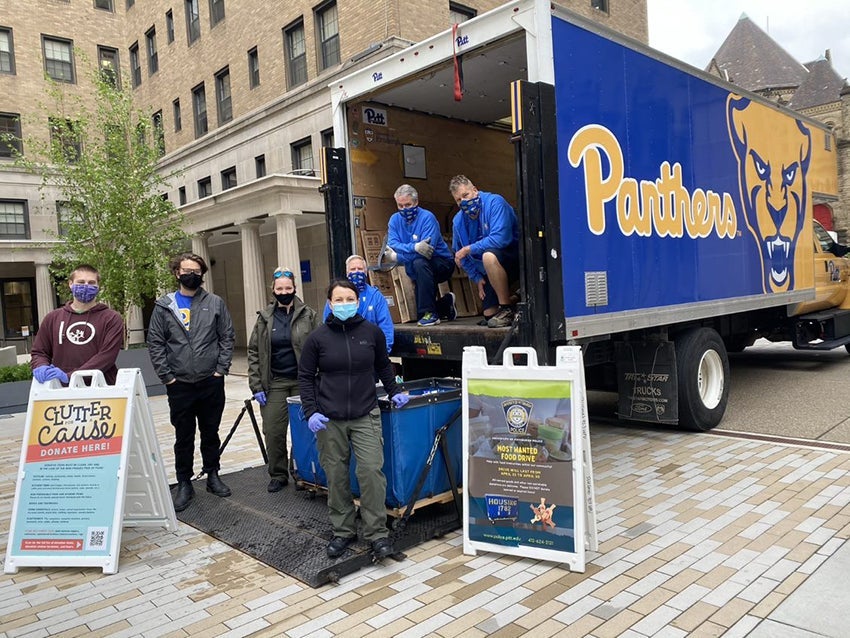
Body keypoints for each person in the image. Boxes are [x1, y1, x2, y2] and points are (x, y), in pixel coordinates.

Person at [298, 278, 410, 560]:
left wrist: (395, 390)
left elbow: (383, 365)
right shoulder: (317, 338)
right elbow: (306, 377)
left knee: (372, 472)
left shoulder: (371, 333)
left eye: (350, 299)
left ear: (358, 302)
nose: (345, 304)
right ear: (329, 303)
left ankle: (377, 534)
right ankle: (343, 531)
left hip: (365, 414)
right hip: (329, 419)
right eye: (339, 300)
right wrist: (311, 411)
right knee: (336, 475)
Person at [147, 252, 235, 512]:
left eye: (196, 272)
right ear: (176, 273)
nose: (191, 275)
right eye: (186, 270)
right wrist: (168, 377)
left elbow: (227, 336)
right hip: (180, 384)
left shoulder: (215, 303)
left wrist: (221, 369)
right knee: (183, 436)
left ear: (202, 274)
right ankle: (184, 482)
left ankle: (212, 475)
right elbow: (156, 343)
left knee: (211, 431)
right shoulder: (165, 306)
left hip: (211, 381)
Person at [248, 266, 320, 493]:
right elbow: (253, 351)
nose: (284, 291)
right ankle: (278, 474)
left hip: (303, 381)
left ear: (295, 288)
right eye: (279, 288)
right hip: (275, 383)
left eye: (288, 287)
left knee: (304, 430)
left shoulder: (309, 315)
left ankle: (300, 471)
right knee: (273, 430)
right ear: (273, 289)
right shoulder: (264, 318)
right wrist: (256, 384)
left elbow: (321, 346)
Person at [31, 264, 124, 385]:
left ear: (98, 286)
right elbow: (39, 351)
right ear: (70, 284)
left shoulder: (111, 318)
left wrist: (71, 376)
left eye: (91, 282)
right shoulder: (53, 318)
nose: (86, 286)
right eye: (81, 282)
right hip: (61, 389)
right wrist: (41, 366)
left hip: (102, 388)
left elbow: (107, 357)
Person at [449, 175, 520, 328]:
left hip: (515, 258)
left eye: (466, 195)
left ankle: (507, 309)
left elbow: (500, 238)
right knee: (489, 314)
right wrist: (477, 277)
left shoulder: (495, 202)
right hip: (491, 269)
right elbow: (459, 254)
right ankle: (515, 298)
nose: (464, 202)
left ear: (475, 190)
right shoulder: (458, 221)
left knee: (488, 255)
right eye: (459, 200)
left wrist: (469, 249)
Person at [386, 184, 456, 326]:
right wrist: (415, 247)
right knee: (419, 314)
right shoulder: (394, 220)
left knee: (420, 261)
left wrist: (397, 257)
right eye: (400, 206)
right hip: (416, 268)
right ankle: (446, 303)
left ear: (416, 202)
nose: (405, 209)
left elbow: (427, 252)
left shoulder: (427, 218)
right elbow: (392, 244)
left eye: (408, 204)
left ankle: (431, 315)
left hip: (441, 263)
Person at [322, 254, 394, 352]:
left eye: (360, 269)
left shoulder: (376, 296)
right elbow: (326, 327)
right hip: (342, 351)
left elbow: (386, 327)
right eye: (353, 269)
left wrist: (383, 354)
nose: (356, 272)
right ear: (347, 273)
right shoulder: (336, 297)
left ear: (366, 272)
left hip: (370, 351)